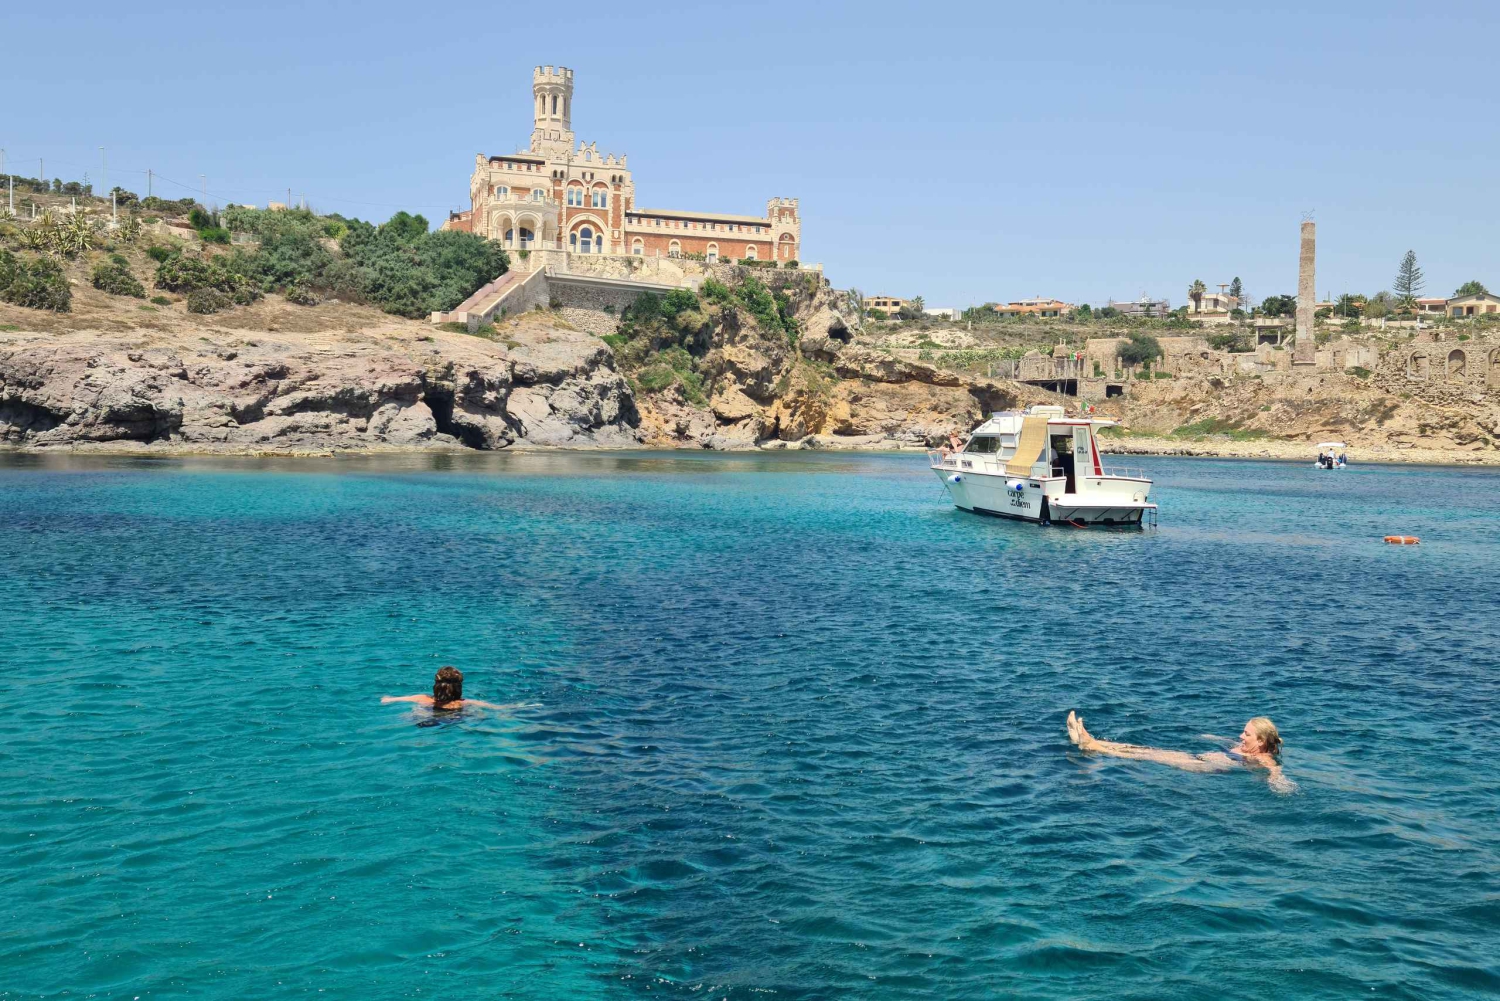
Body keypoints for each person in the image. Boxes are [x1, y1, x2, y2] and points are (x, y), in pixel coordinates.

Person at [1066, 711, 1294, 793]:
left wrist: (1280, 783)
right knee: (1147, 750)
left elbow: (1274, 772)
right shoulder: (1246, 747)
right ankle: (1090, 740)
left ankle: (1092, 746)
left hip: (1202, 766)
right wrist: (1210, 737)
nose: (1241, 736)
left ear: (1261, 741)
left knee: (1150, 754)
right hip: (1199, 758)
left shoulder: (1264, 758)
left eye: (1246, 734)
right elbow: (1228, 742)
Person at [381, 666, 528, 712]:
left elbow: (389, 700)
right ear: (459, 687)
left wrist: (387, 698)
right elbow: (498, 708)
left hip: (429, 718)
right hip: (456, 718)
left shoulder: (422, 698)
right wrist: (517, 706)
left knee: (417, 713)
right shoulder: (465, 703)